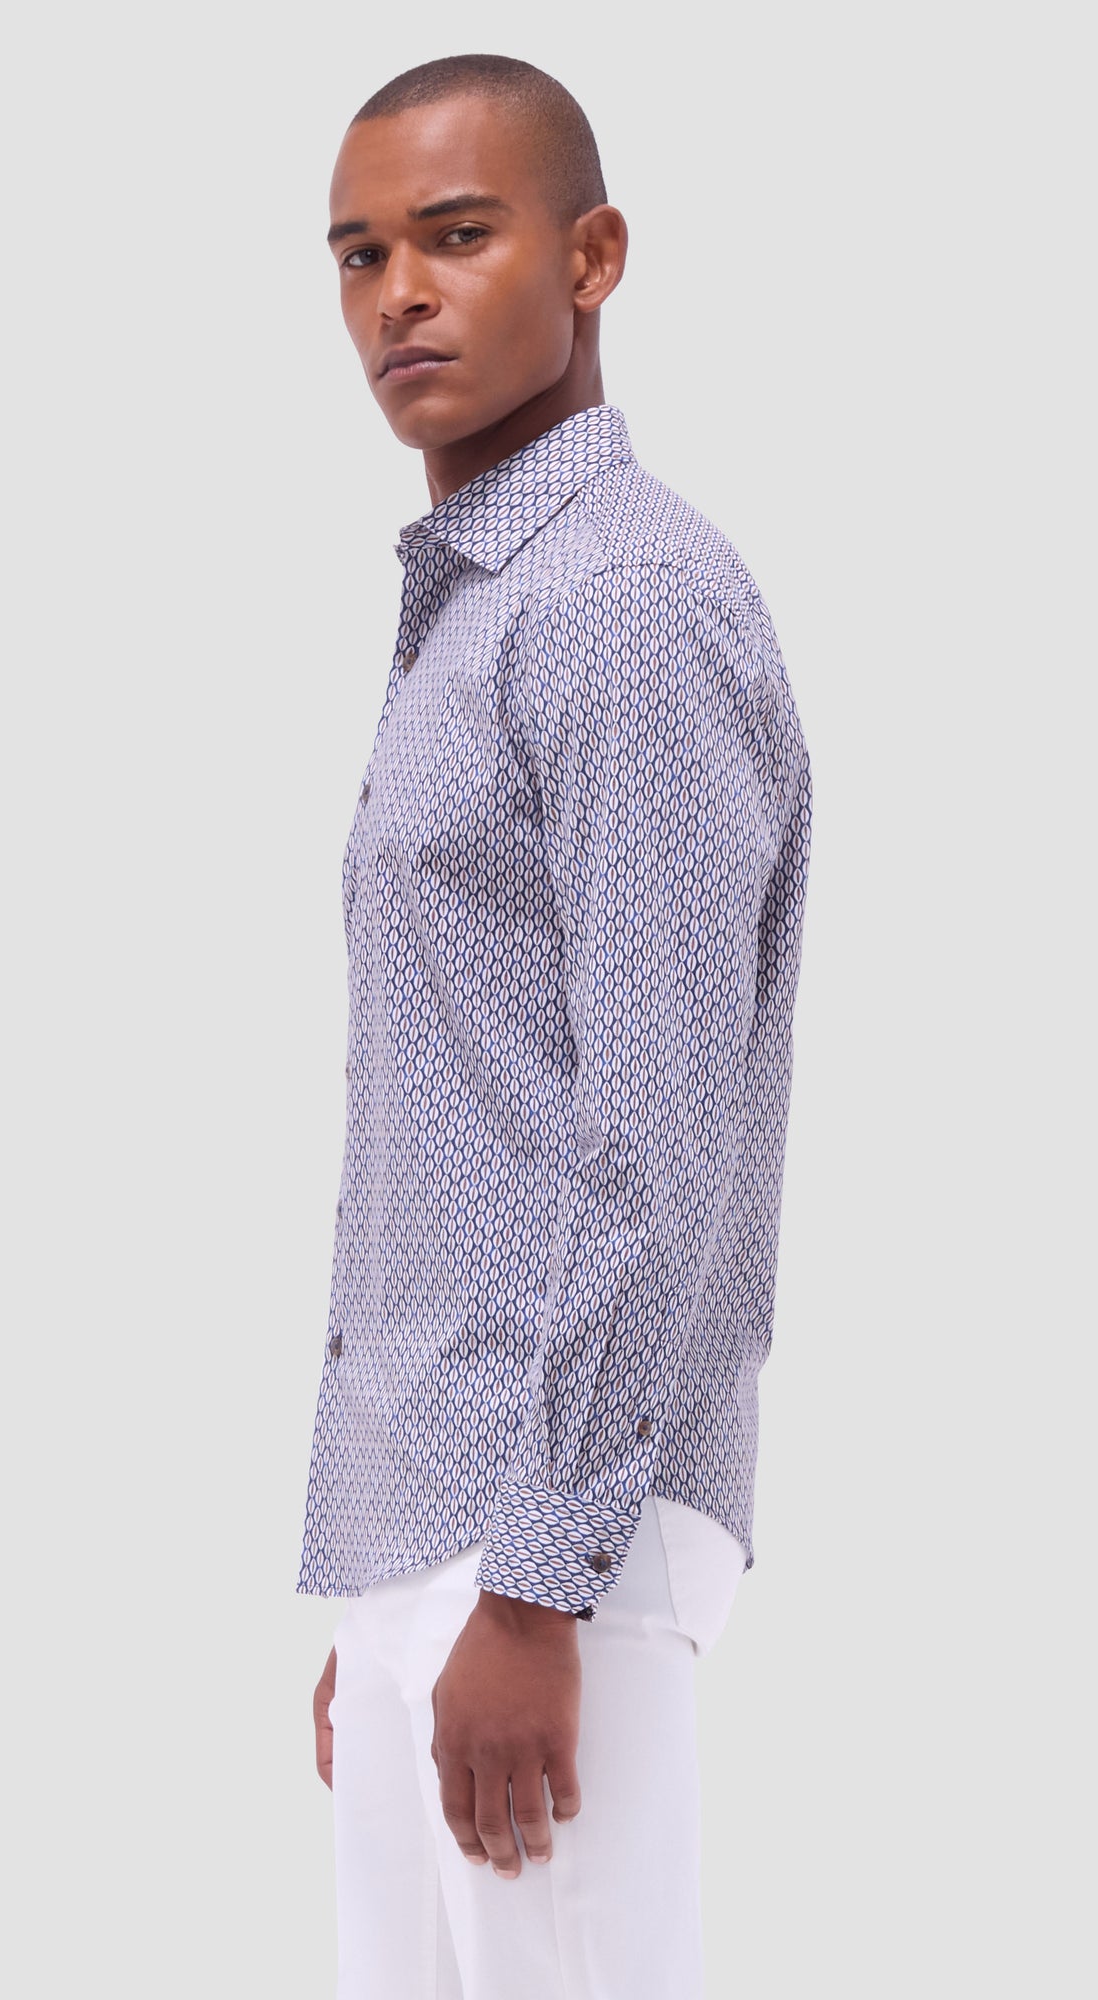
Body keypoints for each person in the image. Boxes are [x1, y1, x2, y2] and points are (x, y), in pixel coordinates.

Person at [294, 52, 814, 1999]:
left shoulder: (618, 603)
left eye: (455, 235)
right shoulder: (481, 608)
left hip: (549, 1536)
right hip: (437, 1525)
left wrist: (527, 1584)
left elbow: (653, 1126)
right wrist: (392, 1584)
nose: (399, 296)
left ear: (591, 258)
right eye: (359, 255)